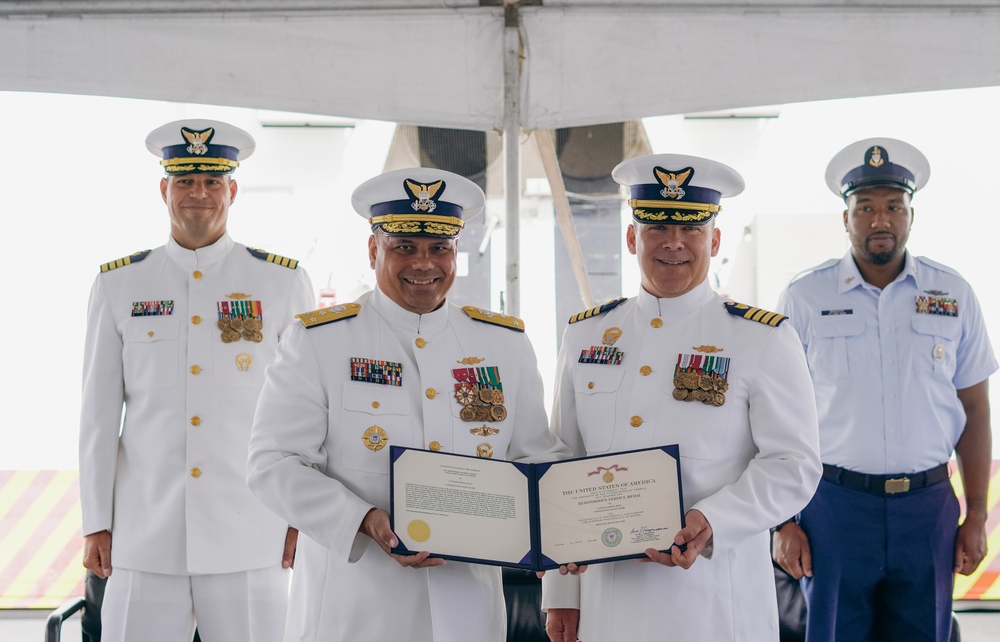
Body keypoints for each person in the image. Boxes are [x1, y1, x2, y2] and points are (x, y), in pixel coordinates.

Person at [246, 167, 571, 642]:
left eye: (439, 247)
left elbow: (534, 459)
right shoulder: (320, 340)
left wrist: (565, 525)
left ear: (455, 250)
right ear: (374, 249)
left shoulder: (503, 344)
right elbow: (272, 463)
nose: (424, 263)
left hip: (468, 612)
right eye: (404, 247)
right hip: (354, 609)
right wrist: (363, 520)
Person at [541, 153, 822, 642]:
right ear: (632, 238)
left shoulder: (760, 339)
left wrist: (714, 519)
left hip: (713, 601)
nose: (673, 242)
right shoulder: (586, 335)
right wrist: (561, 596)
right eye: (656, 226)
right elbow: (564, 461)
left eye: (691, 228)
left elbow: (795, 463)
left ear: (714, 240)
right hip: (610, 600)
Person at [79, 119, 315, 642]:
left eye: (212, 181)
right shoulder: (120, 283)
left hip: (253, 532)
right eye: (185, 181)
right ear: (164, 189)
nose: (199, 194)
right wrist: (97, 520)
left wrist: (304, 514)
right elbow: (97, 415)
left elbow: (305, 413)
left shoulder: (280, 280)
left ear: (232, 189)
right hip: (144, 533)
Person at [774, 137, 996, 641]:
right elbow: (778, 412)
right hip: (833, 506)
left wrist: (977, 514)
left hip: (928, 505)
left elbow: (976, 410)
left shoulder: (953, 293)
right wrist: (783, 521)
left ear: (911, 216)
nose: (880, 220)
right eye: (866, 207)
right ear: (845, 218)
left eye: (894, 207)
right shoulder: (804, 296)